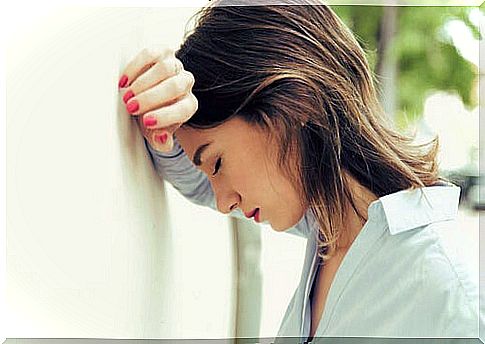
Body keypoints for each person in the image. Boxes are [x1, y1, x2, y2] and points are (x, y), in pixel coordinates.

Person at [117, 1, 479, 340]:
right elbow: (195, 182)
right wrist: (162, 103)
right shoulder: (334, 230)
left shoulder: (449, 294)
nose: (223, 201)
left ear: (294, 104)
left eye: (218, 164)